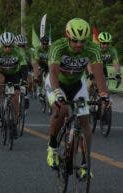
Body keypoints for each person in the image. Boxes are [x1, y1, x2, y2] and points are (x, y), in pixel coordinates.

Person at [46, 18, 109, 178]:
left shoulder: (93, 49)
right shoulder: (58, 46)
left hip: (77, 85)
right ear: (67, 36)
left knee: (85, 121)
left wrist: (103, 95)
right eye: (75, 40)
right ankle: (52, 147)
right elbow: (53, 72)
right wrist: (57, 92)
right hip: (56, 83)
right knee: (60, 110)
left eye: (82, 41)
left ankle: (84, 164)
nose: (79, 44)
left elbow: (99, 73)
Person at [0, 32, 28, 131]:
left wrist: (24, 80)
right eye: (5, 46)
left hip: (14, 74)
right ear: (1, 45)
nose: (7, 49)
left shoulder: (19, 51)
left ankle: (14, 123)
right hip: (1, 72)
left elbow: (24, 67)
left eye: (10, 46)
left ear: (13, 45)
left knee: (16, 98)